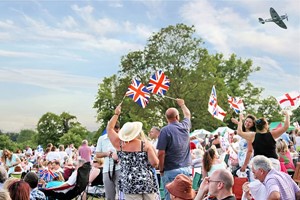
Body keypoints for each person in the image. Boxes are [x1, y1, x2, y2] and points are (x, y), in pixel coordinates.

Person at [107, 104, 159, 200]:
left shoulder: (119, 145)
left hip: (129, 183)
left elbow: (109, 128)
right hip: (146, 181)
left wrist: (116, 114)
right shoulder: (145, 145)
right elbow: (155, 163)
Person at [156, 98, 191, 200]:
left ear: (167, 118)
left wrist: (161, 169)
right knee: (185, 197)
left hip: (170, 170)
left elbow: (161, 153)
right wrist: (182, 104)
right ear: (177, 117)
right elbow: (187, 114)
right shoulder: (185, 127)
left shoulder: (165, 131)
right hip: (186, 169)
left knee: (170, 197)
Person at [96, 121, 121, 200]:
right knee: (109, 195)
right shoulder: (102, 139)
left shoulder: (121, 138)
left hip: (120, 168)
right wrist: (107, 154)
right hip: (107, 169)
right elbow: (97, 154)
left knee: (121, 194)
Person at [231, 114, 256, 179]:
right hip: (241, 162)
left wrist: (244, 165)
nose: (247, 123)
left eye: (250, 122)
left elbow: (250, 151)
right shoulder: (244, 134)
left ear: (253, 124)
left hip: (247, 164)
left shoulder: (250, 134)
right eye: (246, 121)